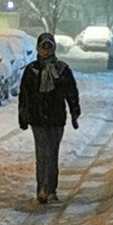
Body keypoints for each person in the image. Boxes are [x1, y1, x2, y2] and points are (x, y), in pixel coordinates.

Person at [17, 31, 80, 204]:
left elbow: (71, 93)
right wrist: (23, 116)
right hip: (37, 118)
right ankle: (42, 189)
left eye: (49, 46)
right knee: (42, 153)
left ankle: (51, 189)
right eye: (43, 46)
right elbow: (24, 95)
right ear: (38, 48)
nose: (45, 50)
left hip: (56, 118)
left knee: (52, 153)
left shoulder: (62, 69)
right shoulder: (31, 70)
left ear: (53, 48)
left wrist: (75, 112)